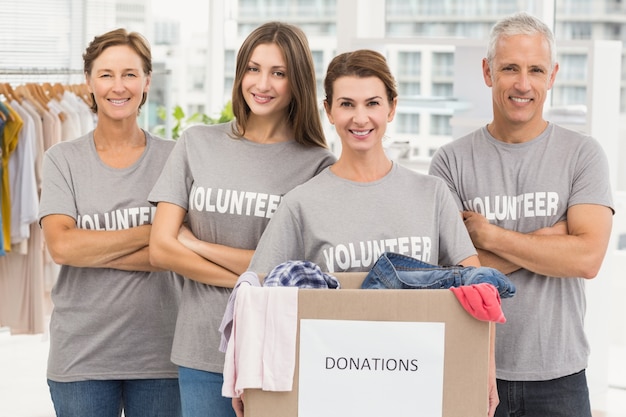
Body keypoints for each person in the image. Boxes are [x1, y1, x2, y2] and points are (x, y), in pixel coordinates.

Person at [247, 49, 499, 416]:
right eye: (347, 104)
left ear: (391, 109)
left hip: (418, 385)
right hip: (332, 389)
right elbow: (257, 299)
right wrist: (250, 378)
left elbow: (481, 296)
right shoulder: (302, 203)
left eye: (373, 103)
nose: (360, 117)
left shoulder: (432, 195)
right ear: (329, 110)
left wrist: (484, 372)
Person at [429, 11, 614, 417]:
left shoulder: (582, 154)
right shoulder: (450, 162)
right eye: (510, 68)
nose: (523, 84)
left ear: (553, 76)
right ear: (487, 71)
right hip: (470, 366)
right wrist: (550, 241)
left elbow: (587, 259)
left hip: (559, 377)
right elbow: (448, 276)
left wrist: (487, 237)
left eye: (536, 70)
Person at [147, 21, 337, 417]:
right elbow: (162, 249)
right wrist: (252, 280)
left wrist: (196, 244)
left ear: (297, 81)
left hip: (278, 351)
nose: (262, 83)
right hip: (201, 349)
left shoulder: (318, 165)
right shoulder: (196, 143)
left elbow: (296, 271)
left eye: (278, 72)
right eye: (253, 68)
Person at [38, 28, 184, 417]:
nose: (118, 87)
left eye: (129, 74)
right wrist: (154, 235)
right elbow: (62, 247)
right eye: (106, 75)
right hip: (81, 357)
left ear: (147, 81)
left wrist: (91, 248)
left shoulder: (176, 158)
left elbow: (179, 252)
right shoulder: (61, 159)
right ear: (88, 81)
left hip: (161, 356)